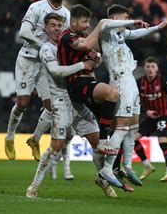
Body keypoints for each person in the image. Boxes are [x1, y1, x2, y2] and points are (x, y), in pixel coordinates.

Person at [26, 13, 116, 198]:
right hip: (60, 100)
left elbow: (91, 56)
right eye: (53, 25)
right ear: (46, 29)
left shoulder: (70, 43)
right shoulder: (47, 49)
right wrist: (84, 64)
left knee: (97, 142)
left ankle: (104, 182)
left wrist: (95, 59)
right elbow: (56, 71)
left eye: (60, 25)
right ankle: (34, 185)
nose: (57, 28)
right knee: (56, 145)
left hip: (78, 99)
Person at [57, 4, 147, 188]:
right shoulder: (67, 37)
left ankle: (115, 169)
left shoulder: (82, 36)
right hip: (76, 85)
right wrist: (99, 26)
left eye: (89, 22)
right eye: (85, 22)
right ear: (73, 21)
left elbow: (94, 53)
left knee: (119, 125)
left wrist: (95, 59)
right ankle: (104, 146)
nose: (87, 25)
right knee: (111, 93)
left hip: (87, 84)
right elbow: (86, 45)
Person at [99, 4, 167, 189]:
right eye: (125, 17)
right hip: (119, 81)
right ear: (118, 19)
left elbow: (137, 34)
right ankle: (107, 168)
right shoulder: (107, 31)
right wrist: (133, 21)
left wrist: (158, 27)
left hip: (130, 80)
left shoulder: (121, 35)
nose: (128, 21)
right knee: (122, 127)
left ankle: (127, 166)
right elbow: (108, 24)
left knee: (133, 128)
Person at [5, 0, 70, 162]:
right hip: (28, 58)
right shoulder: (36, 7)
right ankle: (10, 137)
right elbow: (24, 33)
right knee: (23, 103)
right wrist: (45, 47)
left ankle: (35, 139)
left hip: (46, 64)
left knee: (52, 106)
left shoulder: (66, 13)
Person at [134, 57, 167, 182]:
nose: (150, 69)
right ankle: (147, 166)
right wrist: (146, 111)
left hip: (164, 116)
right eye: (148, 66)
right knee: (132, 139)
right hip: (150, 118)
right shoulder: (139, 82)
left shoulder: (163, 81)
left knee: (162, 141)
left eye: (153, 67)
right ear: (144, 69)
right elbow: (135, 100)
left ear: (157, 69)